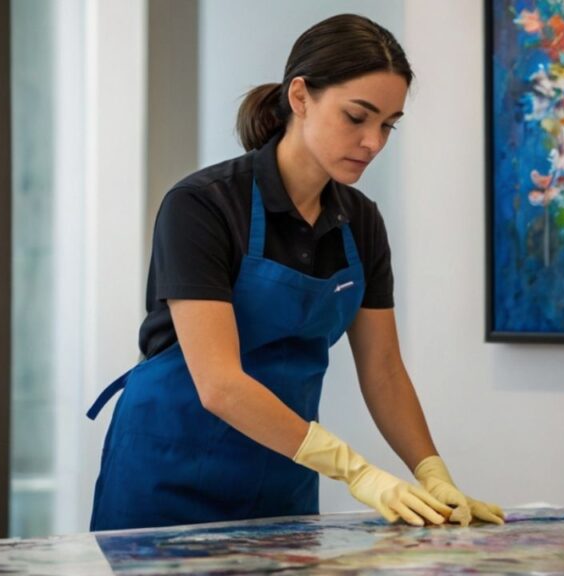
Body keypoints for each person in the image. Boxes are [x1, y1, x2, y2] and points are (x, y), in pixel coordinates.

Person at [86, 13, 504, 532]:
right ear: (300, 96)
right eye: (357, 117)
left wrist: (432, 472)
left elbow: (384, 369)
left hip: (281, 476)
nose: (374, 142)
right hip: (168, 478)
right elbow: (219, 384)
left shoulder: (361, 222)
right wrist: (356, 472)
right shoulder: (202, 206)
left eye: (389, 125)